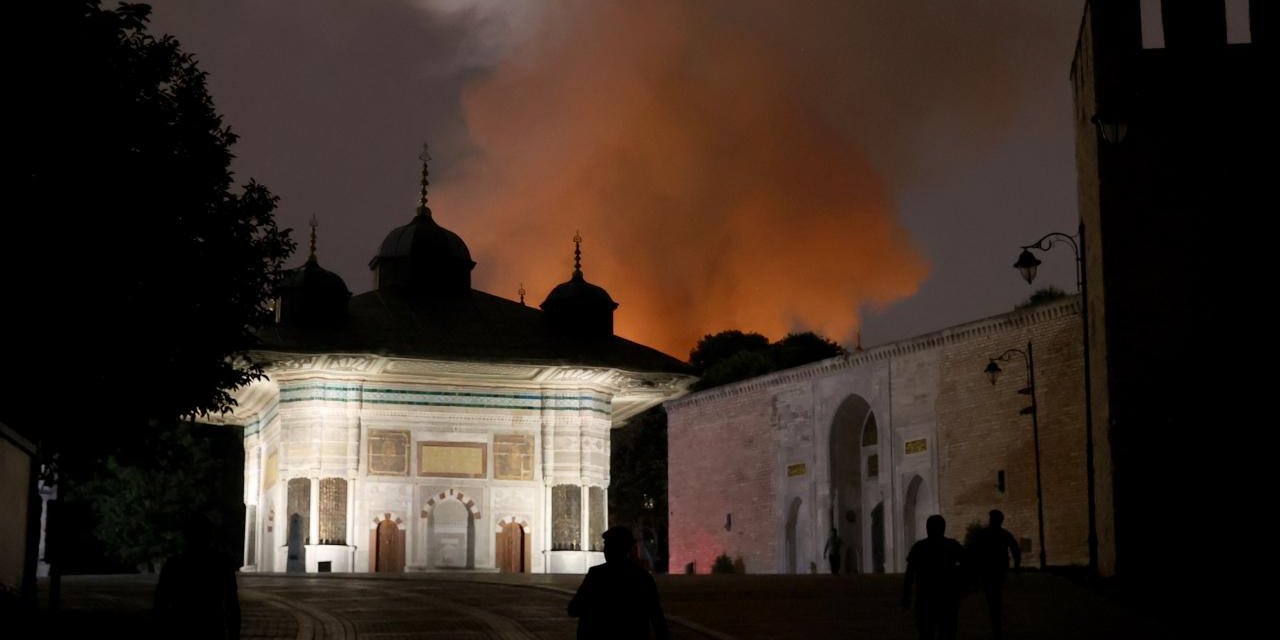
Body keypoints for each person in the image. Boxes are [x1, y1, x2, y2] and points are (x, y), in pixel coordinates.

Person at [568, 526, 670, 640]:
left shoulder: (596, 575)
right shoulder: (643, 577)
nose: (605, 550)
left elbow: (574, 609)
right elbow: (657, 616)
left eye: (608, 546)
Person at [153, 520, 241, 640]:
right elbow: (232, 604)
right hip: (211, 627)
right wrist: (234, 634)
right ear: (210, 537)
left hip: (183, 626)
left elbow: (160, 603)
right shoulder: (221, 564)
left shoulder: (174, 564)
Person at [902, 515, 965, 640]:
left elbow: (909, 574)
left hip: (926, 599)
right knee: (947, 632)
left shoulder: (919, 547)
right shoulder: (952, 545)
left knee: (926, 633)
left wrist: (906, 596)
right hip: (947, 598)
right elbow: (967, 564)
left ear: (927, 528)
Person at [969, 509, 1021, 640]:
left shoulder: (984, 534)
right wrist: (1016, 566)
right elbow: (1015, 549)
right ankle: (996, 622)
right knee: (994, 596)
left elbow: (974, 552)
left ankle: (996, 622)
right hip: (996, 570)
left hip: (991, 570)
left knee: (992, 596)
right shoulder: (1003, 534)